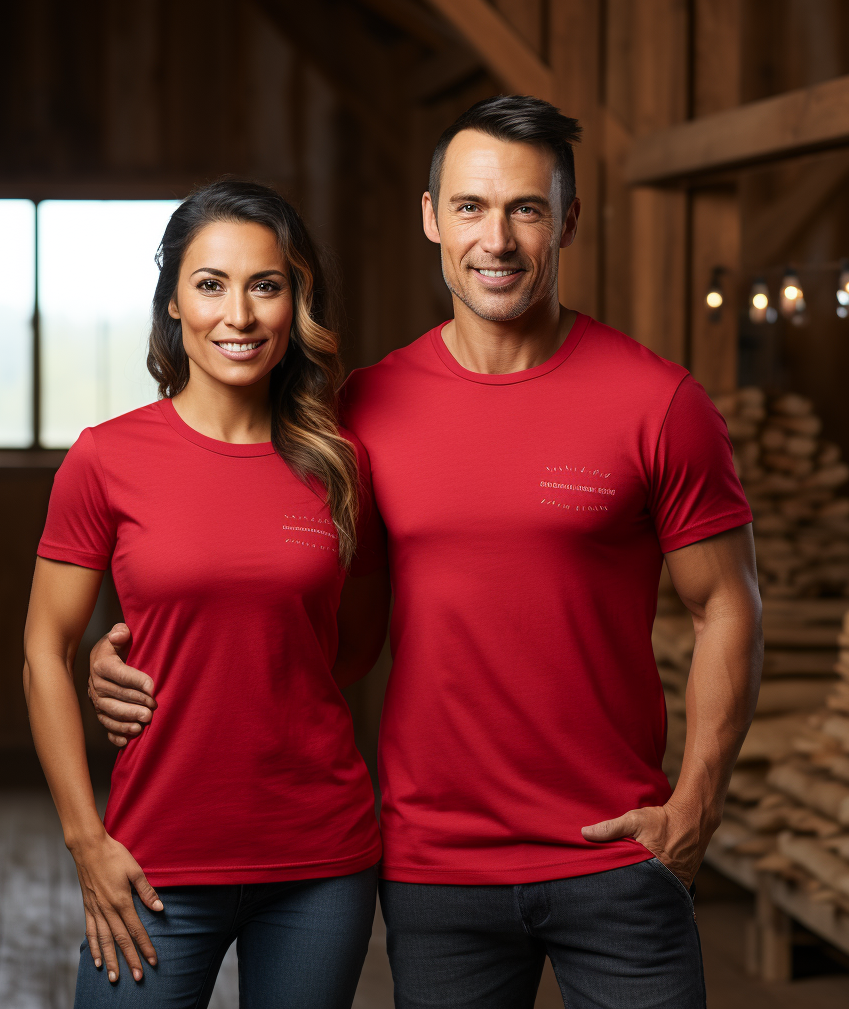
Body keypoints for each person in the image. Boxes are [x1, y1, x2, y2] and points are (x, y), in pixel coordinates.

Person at [88, 96, 763, 1009]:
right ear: (431, 217)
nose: (498, 238)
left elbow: (728, 604)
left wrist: (697, 804)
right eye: (472, 207)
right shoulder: (361, 413)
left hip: (617, 856)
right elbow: (323, 625)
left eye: (527, 208)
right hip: (435, 870)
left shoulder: (660, 403)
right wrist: (144, 658)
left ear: (566, 219)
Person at [23, 179, 392, 1008]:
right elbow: (44, 651)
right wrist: (88, 843)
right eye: (210, 284)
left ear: (295, 303)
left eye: (267, 285)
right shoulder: (105, 459)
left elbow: (357, 643)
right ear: (174, 305)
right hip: (154, 859)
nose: (240, 314)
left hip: (320, 862)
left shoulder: (341, 466)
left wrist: (257, 688)